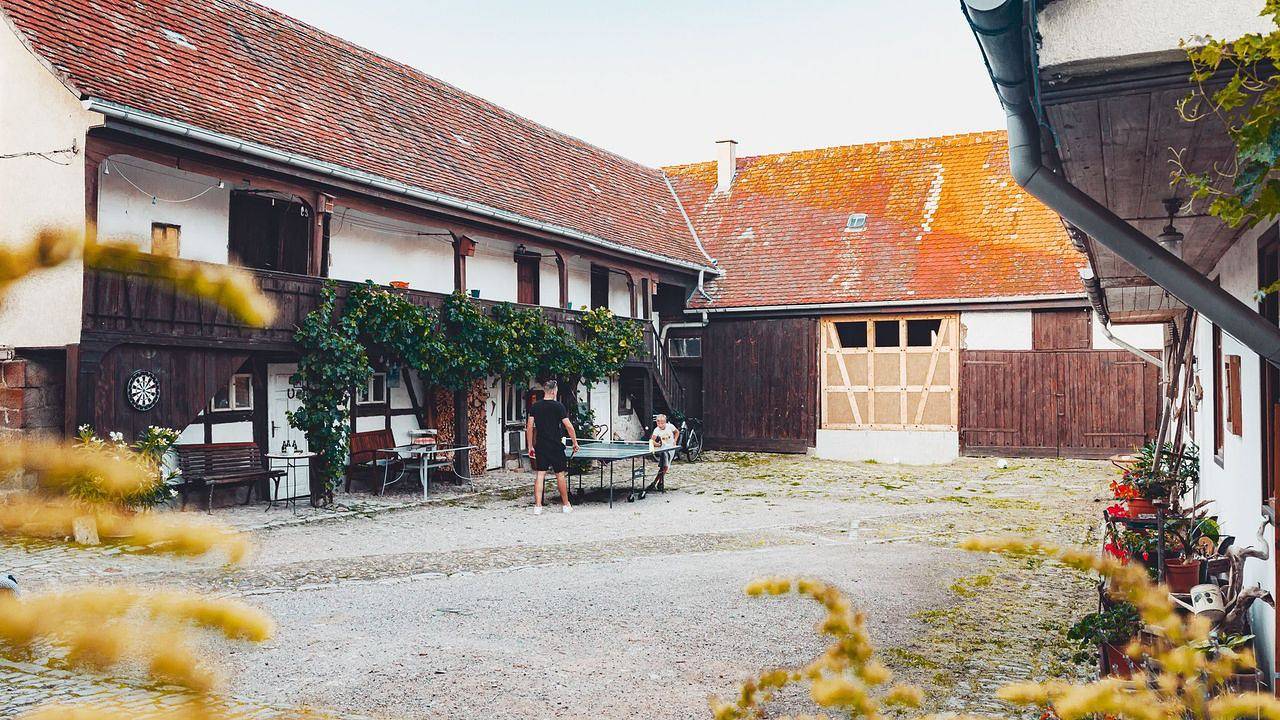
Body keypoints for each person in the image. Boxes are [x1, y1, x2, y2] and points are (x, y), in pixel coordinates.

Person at [526, 380, 579, 515]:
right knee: (560, 474)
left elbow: (529, 427)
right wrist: (575, 442)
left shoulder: (535, 407)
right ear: (554, 391)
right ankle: (566, 505)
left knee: (540, 474)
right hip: (555, 445)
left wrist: (530, 446)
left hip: (541, 445)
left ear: (545, 390)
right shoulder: (559, 406)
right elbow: (568, 426)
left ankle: (538, 506)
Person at [648, 413, 679, 491]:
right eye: (658, 422)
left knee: (665, 467)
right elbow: (652, 441)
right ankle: (656, 483)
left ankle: (659, 483)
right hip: (663, 449)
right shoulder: (656, 430)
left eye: (662, 422)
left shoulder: (670, 426)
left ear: (665, 422)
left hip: (671, 449)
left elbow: (677, 432)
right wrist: (657, 444)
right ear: (657, 422)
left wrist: (675, 440)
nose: (660, 424)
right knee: (665, 467)